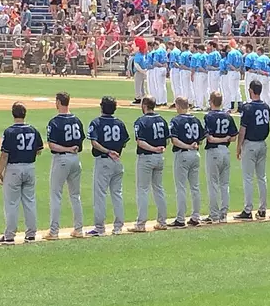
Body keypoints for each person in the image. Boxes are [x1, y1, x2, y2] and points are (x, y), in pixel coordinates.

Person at [0, 101, 43, 244]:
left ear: (13, 114)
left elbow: (5, 155)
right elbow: (39, 150)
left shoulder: (9, 131)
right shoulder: (33, 130)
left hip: (14, 169)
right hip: (30, 167)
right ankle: (31, 234)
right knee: (29, 201)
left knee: (11, 203)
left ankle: (9, 235)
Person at [87, 96, 130, 236]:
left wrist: (108, 151)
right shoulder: (120, 123)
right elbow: (124, 142)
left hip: (104, 160)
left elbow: (94, 142)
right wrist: (116, 152)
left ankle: (99, 228)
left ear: (101, 107)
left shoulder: (96, 122)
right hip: (117, 161)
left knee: (100, 194)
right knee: (117, 194)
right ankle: (118, 227)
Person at [45, 92, 85, 240]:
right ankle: (79, 229)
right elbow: (80, 143)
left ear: (58, 102)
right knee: (75, 196)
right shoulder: (77, 120)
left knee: (56, 195)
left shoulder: (55, 122)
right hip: (75, 159)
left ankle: (54, 231)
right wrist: (71, 149)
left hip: (61, 160)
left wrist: (66, 149)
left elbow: (52, 145)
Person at [132, 97, 169, 232]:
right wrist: (158, 149)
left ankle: (141, 224)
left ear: (145, 105)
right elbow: (167, 140)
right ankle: (162, 221)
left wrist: (153, 148)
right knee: (158, 189)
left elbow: (140, 142)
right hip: (159, 157)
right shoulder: (162, 120)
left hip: (146, 158)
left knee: (143, 190)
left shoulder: (141, 121)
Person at [235, 80, 270, 220]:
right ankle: (262, 209)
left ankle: (248, 209)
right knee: (262, 177)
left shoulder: (248, 107)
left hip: (250, 144)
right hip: (262, 143)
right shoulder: (266, 107)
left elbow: (243, 130)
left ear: (251, 90)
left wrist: (238, 147)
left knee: (248, 178)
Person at [168, 97, 204, 228]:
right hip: (195, 154)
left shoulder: (176, 120)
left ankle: (180, 218)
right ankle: (195, 217)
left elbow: (174, 140)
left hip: (182, 154)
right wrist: (192, 145)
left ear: (178, 106)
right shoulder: (195, 119)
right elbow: (200, 139)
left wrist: (187, 146)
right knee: (195, 187)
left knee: (181, 187)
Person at [203, 92, 237, 224]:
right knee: (224, 184)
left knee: (213, 184)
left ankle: (214, 214)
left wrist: (220, 139)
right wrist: (225, 138)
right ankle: (223, 214)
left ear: (211, 101)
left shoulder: (208, 117)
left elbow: (209, 138)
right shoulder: (227, 116)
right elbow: (233, 137)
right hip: (225, 151)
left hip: (214, 151)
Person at [131, 38, 149, 105]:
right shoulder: (144, 54)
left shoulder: (138, 55)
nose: (132, 46)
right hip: (143, 71)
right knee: (142, 86)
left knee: (138, 85)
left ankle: (138, 98)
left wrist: (142, 71)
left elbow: (136, 64)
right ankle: (143, 97)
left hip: (139, 72)